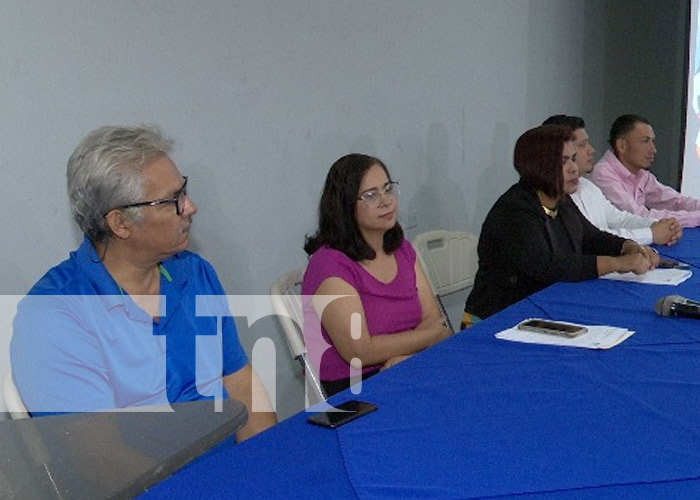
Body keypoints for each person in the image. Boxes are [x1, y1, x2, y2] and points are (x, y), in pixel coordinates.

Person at [10, 125, 276, 441]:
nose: (190, 208)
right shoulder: (53, 315)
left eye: (184, 190)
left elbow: (239, 382)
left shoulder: (194, 274)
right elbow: (102, 462)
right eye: (172, 200)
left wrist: (265, 462)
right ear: (120, 223)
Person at [461, 125, 658, 326]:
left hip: (540, 311)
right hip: (496, 319)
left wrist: (628, 246)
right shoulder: (515, 210)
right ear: (538, 166)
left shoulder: (559, 199)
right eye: (563, 162)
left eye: (573, 159)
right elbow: (546, 265)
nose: (573, 168)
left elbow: (590, 237)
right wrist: (617, 264)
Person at [302, 154, 450, 397]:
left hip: (410, 365)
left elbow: (432, 317)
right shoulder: (329, 264)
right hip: (357, 388)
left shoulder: (400, 248)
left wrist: (406, 358)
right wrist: (431, 337)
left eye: (387, 189)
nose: (386, 201)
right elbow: (360, 351)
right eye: (371, 195)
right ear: (345, 205)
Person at [542, 114, 682, 246]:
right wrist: (651, 233)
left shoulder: (587, 186)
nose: (591, 150)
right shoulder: (553, 196)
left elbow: (618, 218)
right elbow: (594, 238)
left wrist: (658, 225)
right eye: (583, 145)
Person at [589, 114, 700, 228]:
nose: (653, 150)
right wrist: (696, 217)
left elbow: (675, 201)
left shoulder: (641, 174)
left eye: (652, 141)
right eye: (645, 141)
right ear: (622, 145)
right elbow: (637, 217)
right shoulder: (603, 174)